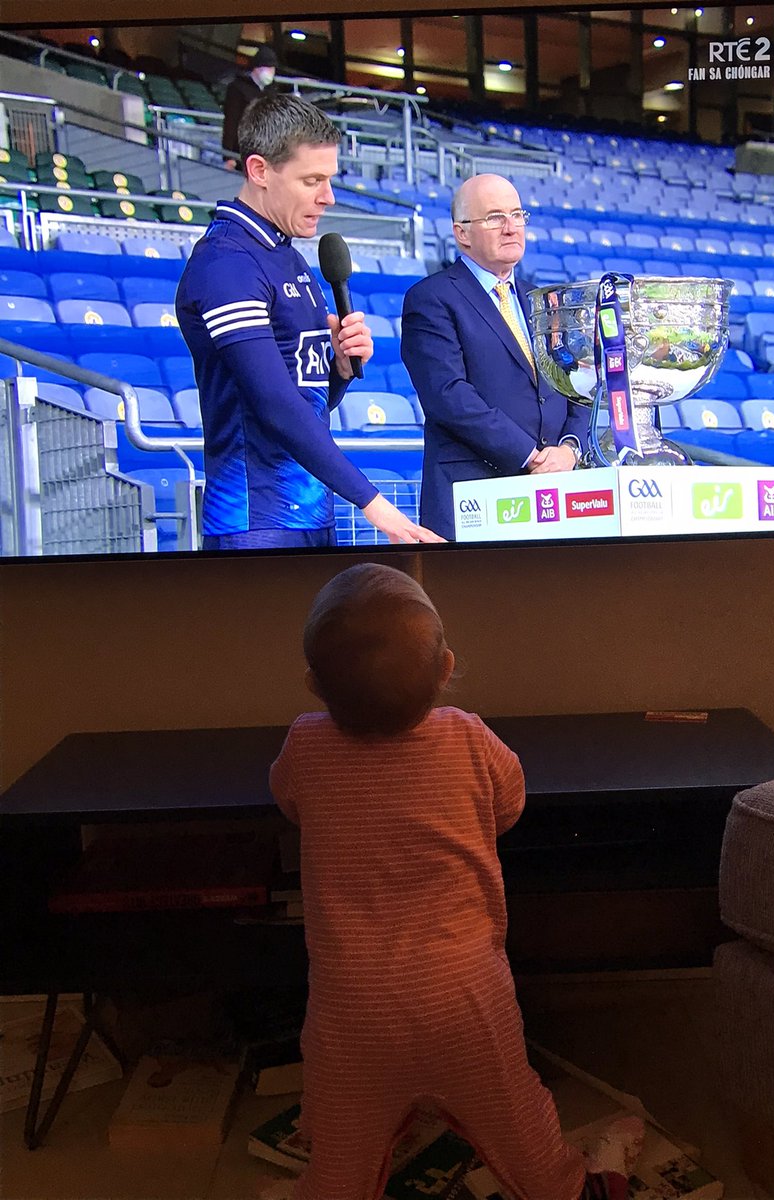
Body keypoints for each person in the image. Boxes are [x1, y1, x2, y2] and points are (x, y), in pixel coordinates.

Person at [268, 562, 644, 1200]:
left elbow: (289, 803)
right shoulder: (469, 738)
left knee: (341, 1149)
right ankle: (563, 1189)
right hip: (465, 999)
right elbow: (508, 807)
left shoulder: (305, 747)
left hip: (353, 1010)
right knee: (516, 1117)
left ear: (312, 684)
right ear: (445, 668)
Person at [176, 94, 442, 549]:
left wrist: (338, 370)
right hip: (253, 521)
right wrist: (375, 505)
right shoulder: (226, 263)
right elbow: (274, 404)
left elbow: (309, 401)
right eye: (312, 180)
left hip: (312, 511)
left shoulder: (288, 257)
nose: (328, 196)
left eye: (329, 179)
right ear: (259, 171)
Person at [400, 173, 589, 540]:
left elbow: (577, 385)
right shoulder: (431, 298)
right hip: (473, 499)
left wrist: (569, 449)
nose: (510, 227)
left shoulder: (543, 301)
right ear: (462, 233)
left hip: (556, 496)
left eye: (517, 215)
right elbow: (448, 396)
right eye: (494, 217)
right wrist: (532, 456)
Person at [221, 46, 279, 170]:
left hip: (265, 153)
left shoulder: (271, 90)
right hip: (243, 152)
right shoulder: (237, 89)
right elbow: (231, 122)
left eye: (272, 68)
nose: (270, 72)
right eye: (267, 68)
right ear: (256, 69)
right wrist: (228, 155)